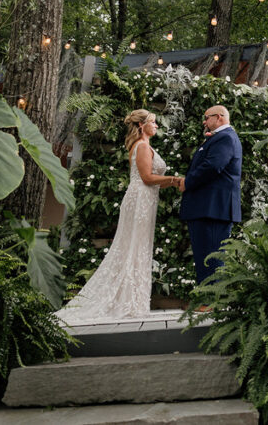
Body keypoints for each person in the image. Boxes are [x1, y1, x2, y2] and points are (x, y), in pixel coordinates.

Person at [56, 109, 183, 324]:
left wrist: (170, 181)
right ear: (142, 126)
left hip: (146, 199)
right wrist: (174, 179)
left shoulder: (144, 145)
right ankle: (128, 301)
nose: (157, 126)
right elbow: (146, 177)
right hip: (141, 198)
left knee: (139, 246)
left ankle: (133, 300)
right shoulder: (142, 146)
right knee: (134, 246)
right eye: (153, 122)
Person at [180, 105, 242, 284]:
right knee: (204, 254)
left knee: (212, 255)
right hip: (208, 207)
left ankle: (212, 301)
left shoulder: (226, 138)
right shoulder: (219, 138)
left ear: (220, 117)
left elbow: (213, 166)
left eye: (207, 117)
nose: (204, 121)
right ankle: (207, 299)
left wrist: (187, 182)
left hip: (214, 208)